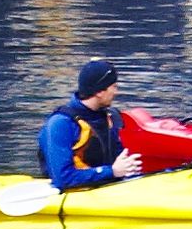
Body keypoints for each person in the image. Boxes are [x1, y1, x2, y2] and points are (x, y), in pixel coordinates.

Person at [38, 59, 145, 191]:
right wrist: (111, 171)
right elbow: (62, 179)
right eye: (114, 87)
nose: (116, 92)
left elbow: (121, 161)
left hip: (108, 188)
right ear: (99, 92)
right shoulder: (60, 124)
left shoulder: (110, 116)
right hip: (74, 193)